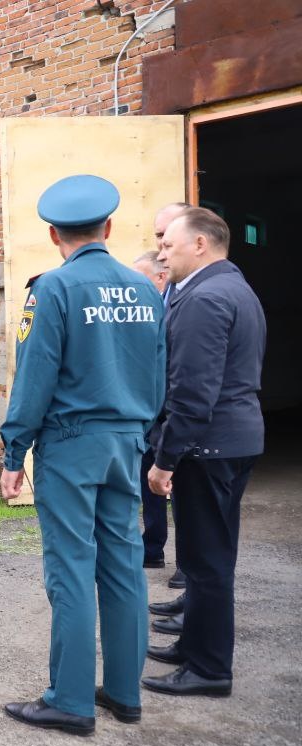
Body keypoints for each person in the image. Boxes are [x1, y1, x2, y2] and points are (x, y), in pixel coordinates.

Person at [0, 175, 166, 736]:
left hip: (71, 445)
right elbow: (159, 372)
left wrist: (13, 450)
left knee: (70, 567)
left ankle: (69, 700)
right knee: (123, 565)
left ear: (53, 235)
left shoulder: (52, 289)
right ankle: (124, 692)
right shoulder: (145, 288)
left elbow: (35, 378)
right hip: (128, 443)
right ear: (110, 228)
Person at [142, 207, 265, 698]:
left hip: (209, 447)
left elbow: (192, 394)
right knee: (205, 557)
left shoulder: (205, 298)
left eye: (169, 245)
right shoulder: (234, 287)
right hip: (233, 440)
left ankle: (209, 669)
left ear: (200, 245)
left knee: (207, 561)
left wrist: (164, 460)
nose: (161, 253)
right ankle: (192, 648)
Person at [149, 202, 194, 590]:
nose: (161, 247)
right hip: (163, 413)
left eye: (166, 237)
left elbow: (193, 376)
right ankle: (188, 599)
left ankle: (190, 573)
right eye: (157, 237)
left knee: (188, 499)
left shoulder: (201, 293)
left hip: (188, 420)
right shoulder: (175, 290)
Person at [132, 251, 171, 572]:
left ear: (161, 277)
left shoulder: (177, 307)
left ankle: (188, 563)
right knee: (149, 483)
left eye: (140, 277)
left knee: (180, 489)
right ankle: (153, 548)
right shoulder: (139, 309)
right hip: (145, 415)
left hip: (171, 414)